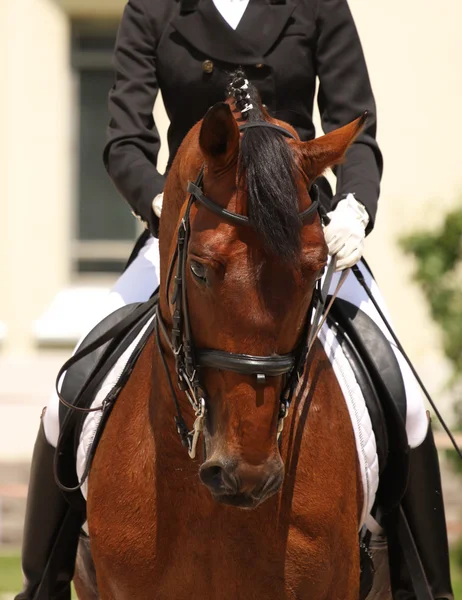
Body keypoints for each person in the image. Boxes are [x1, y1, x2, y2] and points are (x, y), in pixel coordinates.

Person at [16, 0, 453, 599]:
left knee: (402, 399)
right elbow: (125, 140)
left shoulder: (317, 4)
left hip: (296, 239)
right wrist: (164, 207)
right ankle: (44, 582)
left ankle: (420, 586)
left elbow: (358, 128)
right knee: (66, 395)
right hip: (194, 231)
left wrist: (355, 207)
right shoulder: (154, 8)